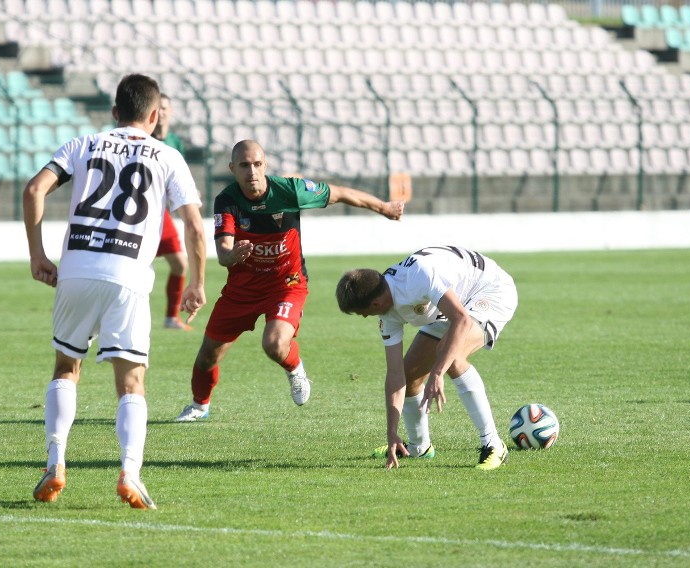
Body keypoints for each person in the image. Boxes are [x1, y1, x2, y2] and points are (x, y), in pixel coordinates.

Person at [23, 74, 206, 509]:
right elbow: (195, 226)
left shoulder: (81, 144)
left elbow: (34, 190)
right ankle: (129, 472)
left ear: (114, 111)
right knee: (131, 380)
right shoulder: (167, 155)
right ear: (155, 114)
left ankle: (55, 463)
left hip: (76, 270)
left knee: (67, 366)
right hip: (128, 276)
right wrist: (197, 282)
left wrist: (38, 255)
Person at [175, 139, 404, 422]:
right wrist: (233, 254)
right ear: (233, 168)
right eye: (244, 166)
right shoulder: (227, 200)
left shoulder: (290, 191)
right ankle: (199, 406)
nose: (252, 172)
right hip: (242, 289)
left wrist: (384, 208)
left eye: (257, 164)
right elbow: (223, 253)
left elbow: (341, 193)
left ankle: (295, 369)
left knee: (273, 344)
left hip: (287, 285)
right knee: (207, 356)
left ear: (265, 165)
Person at [335, 245, 518, 471]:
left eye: (361, 312)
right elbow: (395, 374)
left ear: (374, 303)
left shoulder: (419, 276)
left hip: (490, 289)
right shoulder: (387, 312)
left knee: (452, 356)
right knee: (411, 372)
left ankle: (493, 444)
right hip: (454, 306)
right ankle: (419, 447)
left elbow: (461, 320)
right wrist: (391, 432)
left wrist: (438, 372)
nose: (363, 317)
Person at [152, 94, 192, 330]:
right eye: (158, 108)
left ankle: (171, 318)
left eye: (165, 108)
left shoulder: (175, 142)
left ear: (171, 111)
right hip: (144, 211)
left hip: (161, 213)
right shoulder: (144, 138)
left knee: (179, 264)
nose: (162, 112)